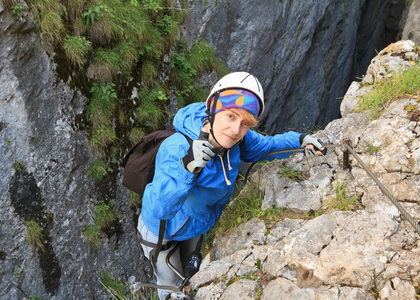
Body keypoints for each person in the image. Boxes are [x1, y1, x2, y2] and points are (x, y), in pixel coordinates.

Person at [136, 72, 326, 299]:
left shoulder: (239, 141)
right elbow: (158, 208)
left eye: (245, 123)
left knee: (191, 275)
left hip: (197, 222)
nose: (235, 130)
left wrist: (299, 140)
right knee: (170, 286)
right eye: (230, 116)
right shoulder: (178, 147)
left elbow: (267, 147)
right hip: (162, 231)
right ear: (213, 109)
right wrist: (186, 169)